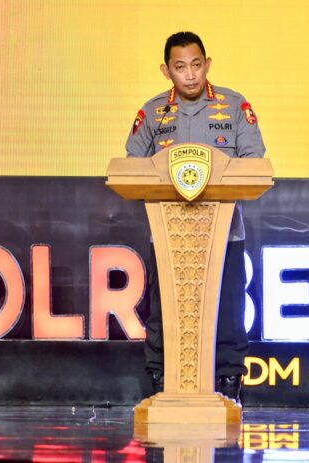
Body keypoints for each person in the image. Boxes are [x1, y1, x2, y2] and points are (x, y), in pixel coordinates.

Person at [126, 31, 265, 402]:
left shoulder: (234, 107)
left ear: (208, 65)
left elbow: (255, 164)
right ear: (166, 70)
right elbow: (131, 167)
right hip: (169, 237)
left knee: (229, 312)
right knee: (164, 314)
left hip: (224, 235)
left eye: (196, 65)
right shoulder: (153, 112)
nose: (189, 75)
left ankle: (229, 385)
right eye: (180, 67)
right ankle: (161, 383)